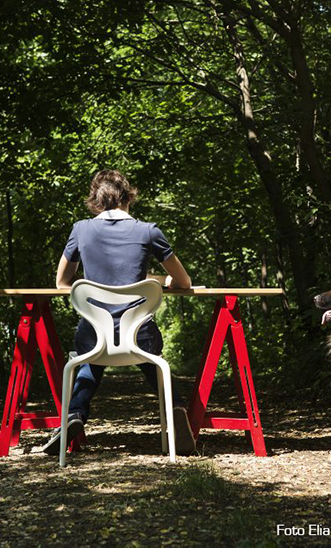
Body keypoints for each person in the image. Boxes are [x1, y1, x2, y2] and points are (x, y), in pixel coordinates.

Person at [42, 169, 196, 456]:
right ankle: (175, 409)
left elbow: (62, 282)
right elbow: (184, 282)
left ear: (96, 201)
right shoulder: (149, 231)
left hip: (95, 334)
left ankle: (75, 414)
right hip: (139, 335)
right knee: (151, 359)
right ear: (128, 197)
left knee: (93, 351)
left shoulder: (81, 229)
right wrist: (163, 281)